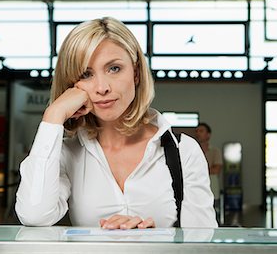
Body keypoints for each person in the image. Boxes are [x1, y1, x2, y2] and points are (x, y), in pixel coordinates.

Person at [15, 17, 217, 229]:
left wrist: (157, 239)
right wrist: (53, 114)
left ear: (136, 73)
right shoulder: (66, 154)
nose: (102, 87)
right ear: (71, 84)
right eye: (86, 74)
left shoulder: (183, 151)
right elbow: (34, 215)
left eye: (114, 69)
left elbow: (203, 243)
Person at [195, 123, 223, 211]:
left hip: (212, 189)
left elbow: (216, 170)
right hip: (196, 191)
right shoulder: (193, 151)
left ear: (208, 135)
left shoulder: (215, 151)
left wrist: (197, 171)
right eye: (197, 131)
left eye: (201, 131)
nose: (198, 133)